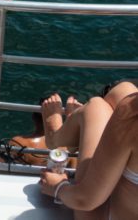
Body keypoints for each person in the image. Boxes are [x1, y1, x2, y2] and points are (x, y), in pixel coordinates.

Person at [39, 83, 138, 219]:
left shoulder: (132, 114)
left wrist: (58, 187)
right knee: (123, 90)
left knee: (96, 107)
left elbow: (85, 200)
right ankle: (75, 134)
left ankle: (57, 139)